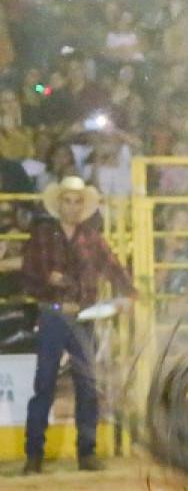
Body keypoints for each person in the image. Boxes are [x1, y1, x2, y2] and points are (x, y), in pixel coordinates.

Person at [19, 177, 133, 474]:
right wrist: (49, 280)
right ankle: (36, 455)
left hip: (79, 315)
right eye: (67, 201)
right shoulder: (45, 234)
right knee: (46, 384)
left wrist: (128, 293)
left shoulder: (90, 237)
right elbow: (29, 272)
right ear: (60, 204)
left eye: (76, 201)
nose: (71, 207)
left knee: (84, 385)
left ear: (82, 206)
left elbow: (114, 267)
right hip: (56, 314)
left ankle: (81, 452)